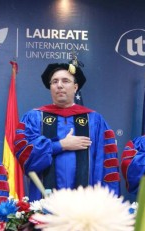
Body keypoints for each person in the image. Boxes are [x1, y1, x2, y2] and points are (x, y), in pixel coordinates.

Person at [14, 62, 120, 201]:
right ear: (50, 87)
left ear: (75, 87)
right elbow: (26, 158)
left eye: (66, 81)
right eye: (54, 81)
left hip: (86, 206)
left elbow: (106, 164)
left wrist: (107, 202)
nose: (59, 85)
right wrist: (61, 145)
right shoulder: (34, 118)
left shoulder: (95, 120)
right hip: (44, 203)